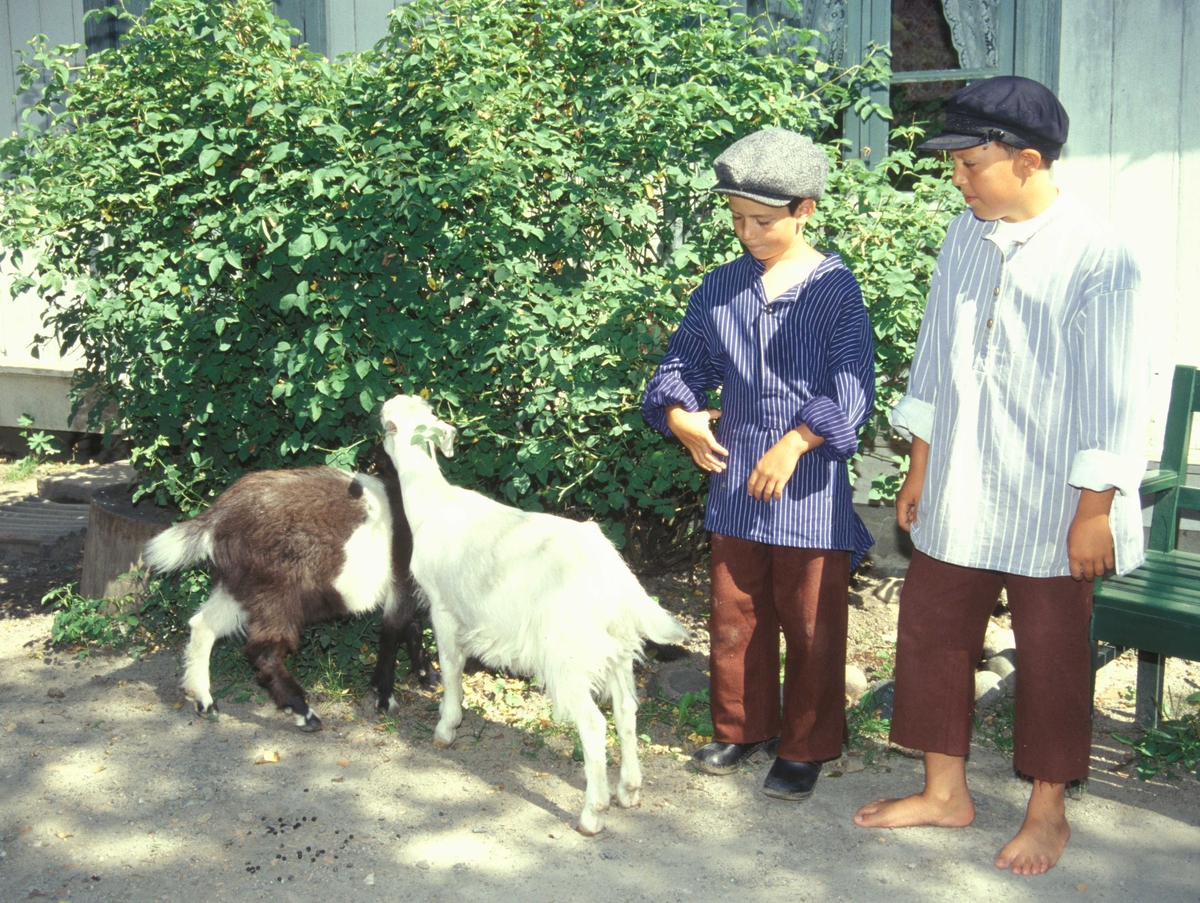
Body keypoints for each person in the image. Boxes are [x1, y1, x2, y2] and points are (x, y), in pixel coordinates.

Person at [852, 76, 1151, 875]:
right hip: (962, 479)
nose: (956, 177)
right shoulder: (966, 234)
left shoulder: (1100, 255)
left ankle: (1048, 809)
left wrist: (1095, 508)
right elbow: (935, 360)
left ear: (1025, 160)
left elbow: (1115, 393)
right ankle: (945, 790)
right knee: (932, 628)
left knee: (1051, 649)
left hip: (1057, 496)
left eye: (969, 163)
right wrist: (919, 464)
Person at [641, 128, 875, 801]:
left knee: (809, 620)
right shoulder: (722, 287)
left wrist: (800, 438)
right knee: (736, 612)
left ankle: (806, 743)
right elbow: (685, 362)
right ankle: (742, 726)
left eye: (763, 221)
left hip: (809, 485)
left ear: (804, 209)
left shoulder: (836, 290)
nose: (747, 232)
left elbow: (853, 385)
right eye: (737, 218)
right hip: (735, 478)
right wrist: (682, 417)